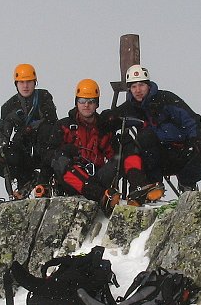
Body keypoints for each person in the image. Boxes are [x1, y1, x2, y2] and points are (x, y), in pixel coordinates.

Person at [43, 79, 160, 215]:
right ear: (76, 102)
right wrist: (63, 154)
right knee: (60, 159)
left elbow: (113, 156)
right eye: (82, 101)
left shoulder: (103, 127)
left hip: (98, 179)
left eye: (91, 101)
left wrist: (121, 141)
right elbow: (48, 156)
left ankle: (138, 186)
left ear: (96, 104)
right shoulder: (64, 126)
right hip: (73, 181)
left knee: (126, 144)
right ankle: (102, 196)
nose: (86, 105)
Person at [113, 64, 201, 192]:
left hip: (180, 151)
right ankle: (154, 186)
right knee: (144, 138)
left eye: (141, 85)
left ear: (148, 85)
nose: (138, 90)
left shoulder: (166, 99)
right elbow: (111, 118)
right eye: (133, 86)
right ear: (130, 89)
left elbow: (191, 120)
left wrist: (195, 140)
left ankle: (187, 183)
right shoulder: (130, 108)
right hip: (155, 158)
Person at [0, 63, 58, 197]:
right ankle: (27, 178)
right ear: (16, 84)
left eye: (29, 82)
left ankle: (44, 180)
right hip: (22, 149)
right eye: (22, 82)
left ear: (35, 82)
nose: (25, 86)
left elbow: (51, 121)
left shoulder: (44, 97)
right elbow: (2, 129)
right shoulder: (9, 106)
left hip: (43, 147)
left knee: (46, 132)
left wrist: (29, 129)